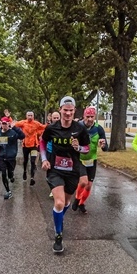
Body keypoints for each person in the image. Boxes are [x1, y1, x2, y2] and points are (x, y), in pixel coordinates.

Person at [39, 96, 90, 253]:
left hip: (72, 171)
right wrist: (44, 159)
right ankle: (58, 234)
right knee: (59, 202)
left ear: (74, 111)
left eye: (71, 110)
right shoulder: (51, 128)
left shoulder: (80, 129)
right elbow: (41, 142)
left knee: (66, 202)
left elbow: (86, 148)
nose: (68, 113)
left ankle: (58, 218)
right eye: (65, 110)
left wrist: (78, 148)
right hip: (55, 169)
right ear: (60, 110)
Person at [71, 107, 107, 214]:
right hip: (79, 159)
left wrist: (103, 145)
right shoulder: (78, 126)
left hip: (92, 159)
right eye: (88, 117)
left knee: (89, 185)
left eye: (92, 117)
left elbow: (106, 148)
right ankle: (77, 199)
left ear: (94, 117)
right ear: (83, 116)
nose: (90, 119)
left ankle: (81, 203)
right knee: (83, 182)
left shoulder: (98, 129)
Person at [0, 116, 25, 199]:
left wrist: (15, 127)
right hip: (1, 157)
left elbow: (22, 136)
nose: (3, 125)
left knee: (10, 174)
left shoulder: (13, 132)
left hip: (11, 158)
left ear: (8, 124)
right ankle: (8, 191)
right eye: (2, 123)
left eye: (5, 123)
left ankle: (11, 176)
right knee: (3, 174)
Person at [13, 110, 46, 185]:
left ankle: (32, 178)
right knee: (25, 161)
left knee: (33, 161)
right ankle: (24, 171)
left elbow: (44, 127)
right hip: (25, 145)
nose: (30, 117)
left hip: (34, 146)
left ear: (33, 116)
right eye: (29, 115)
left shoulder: (36, 123)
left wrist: (50, 122)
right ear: (26, 116)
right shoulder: (23, 123)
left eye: (31, 115)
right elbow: (14, 126)